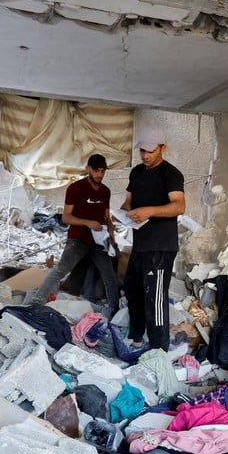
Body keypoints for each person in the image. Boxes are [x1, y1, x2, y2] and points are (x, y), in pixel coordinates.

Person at [30, 153, 119, 318]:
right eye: (96, 171)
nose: (99, 175)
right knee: (60, 270)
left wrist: (111, 233)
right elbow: (66, 217)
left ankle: (113, 309)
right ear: (87, 169)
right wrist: (87, 222)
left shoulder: (105, 191)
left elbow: (106, 216)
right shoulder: (76, 188)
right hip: (78, 239)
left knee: (109, 275)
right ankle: (35, 302)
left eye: (102, 171)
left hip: (99, 241)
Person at [121, 127, 185, 351]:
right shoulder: (137, 172)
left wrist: (150, 211)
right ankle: (137, 338)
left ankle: (159, 350)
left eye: (150, 151)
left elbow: (179, 205)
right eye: (142, 151)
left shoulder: (171, 174)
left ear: (162, 148)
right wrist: (123, 213)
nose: (145, 155)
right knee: (132, 289)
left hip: (161, 246)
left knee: (155, 299)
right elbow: (128, 202)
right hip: (140, 244)